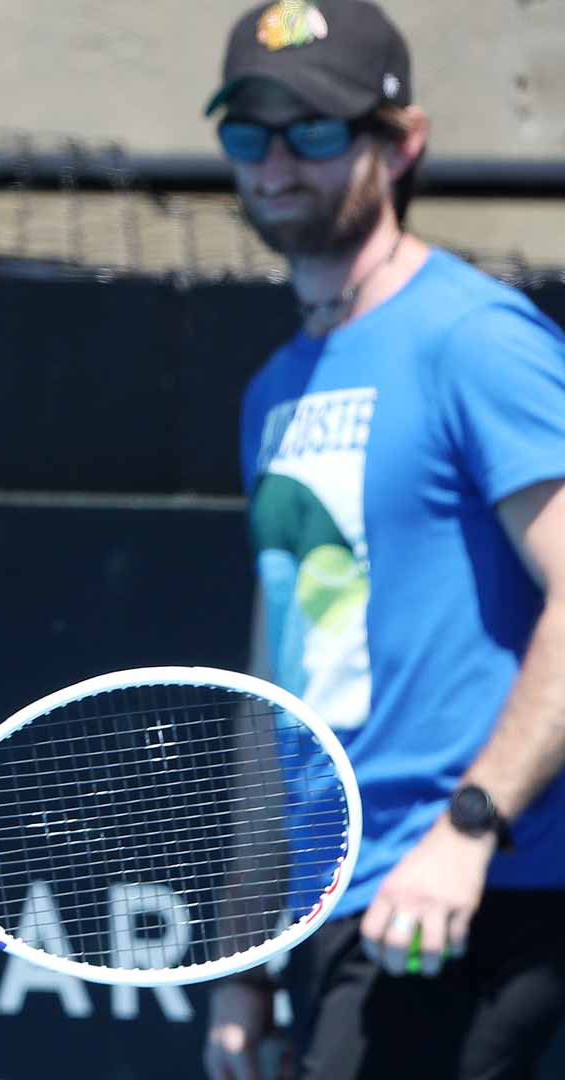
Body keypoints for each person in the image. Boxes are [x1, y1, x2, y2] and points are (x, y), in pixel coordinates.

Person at [195, 3, 565, 1078]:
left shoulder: (476, 339)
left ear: (401, 143)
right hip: (351, 908)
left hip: (490, 896)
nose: (277, 163)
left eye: (314, 131)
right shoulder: (275, 392)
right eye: (249, 132)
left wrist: (470, 828)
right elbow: (278, 695)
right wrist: (245, 959)